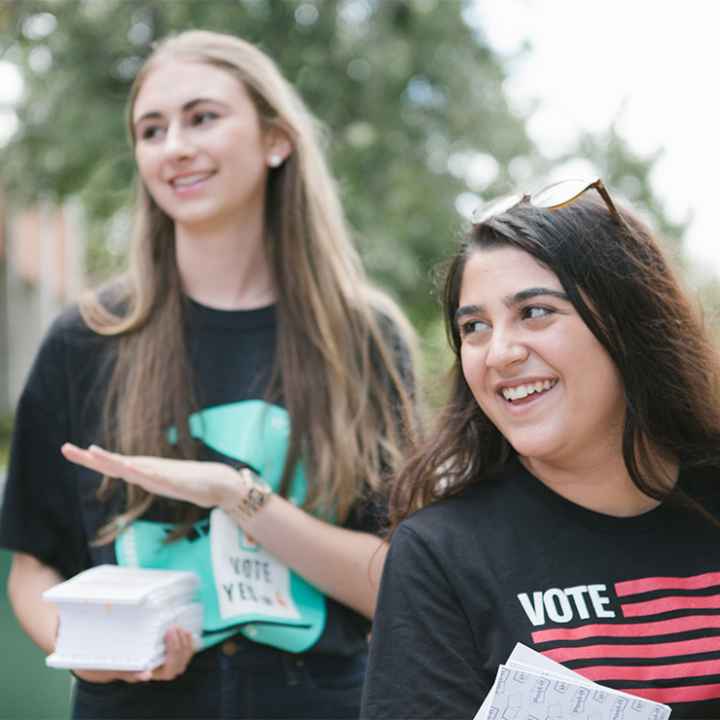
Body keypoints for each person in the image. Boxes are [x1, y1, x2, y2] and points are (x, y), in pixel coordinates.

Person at [0, 30, 419, 720]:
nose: (175, 148)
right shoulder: (86, 340)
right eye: (151, 130)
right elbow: (30, 571)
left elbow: (397, 586)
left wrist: (238, 496)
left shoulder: (365, 339)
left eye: (202, 118)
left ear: (275, 140)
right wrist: (94, 654)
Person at [360, 178, 720, 720]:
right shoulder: (440, 554)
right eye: (475, 326)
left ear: (628, 324)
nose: (499, 353)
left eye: (534, 312)